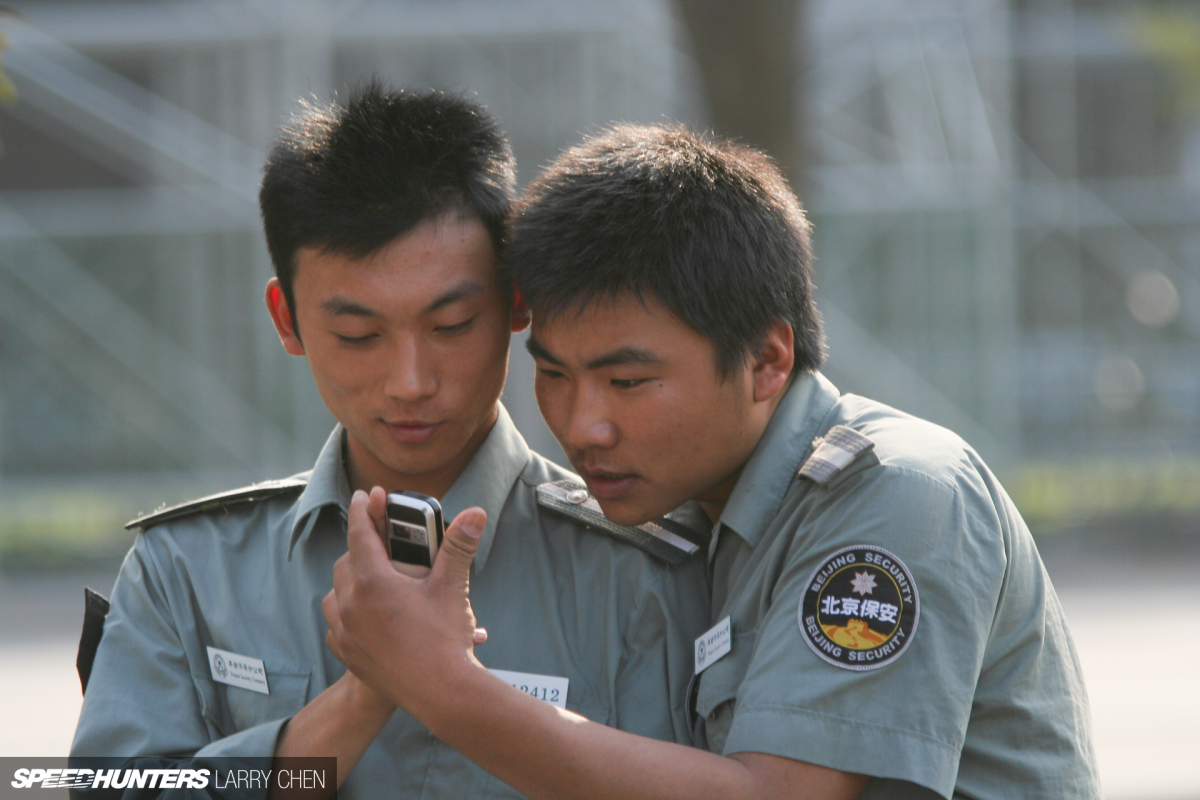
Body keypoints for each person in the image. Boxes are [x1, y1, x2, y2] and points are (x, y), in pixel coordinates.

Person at [323, 123, 1101, 799]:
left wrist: (439, 681)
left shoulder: (896, 493)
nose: (583, 426)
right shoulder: (701, 513)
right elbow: (210, 777)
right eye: (553, 374)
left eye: (628, 382)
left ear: (766, 362)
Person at [71, 91, 710, 799]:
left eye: (452, 324)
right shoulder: (187, 573)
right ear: (288, 320)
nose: (409, 382)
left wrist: (434, 682)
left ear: (516, 303)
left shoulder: (644, 574)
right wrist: (370, 690)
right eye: (358, 336)